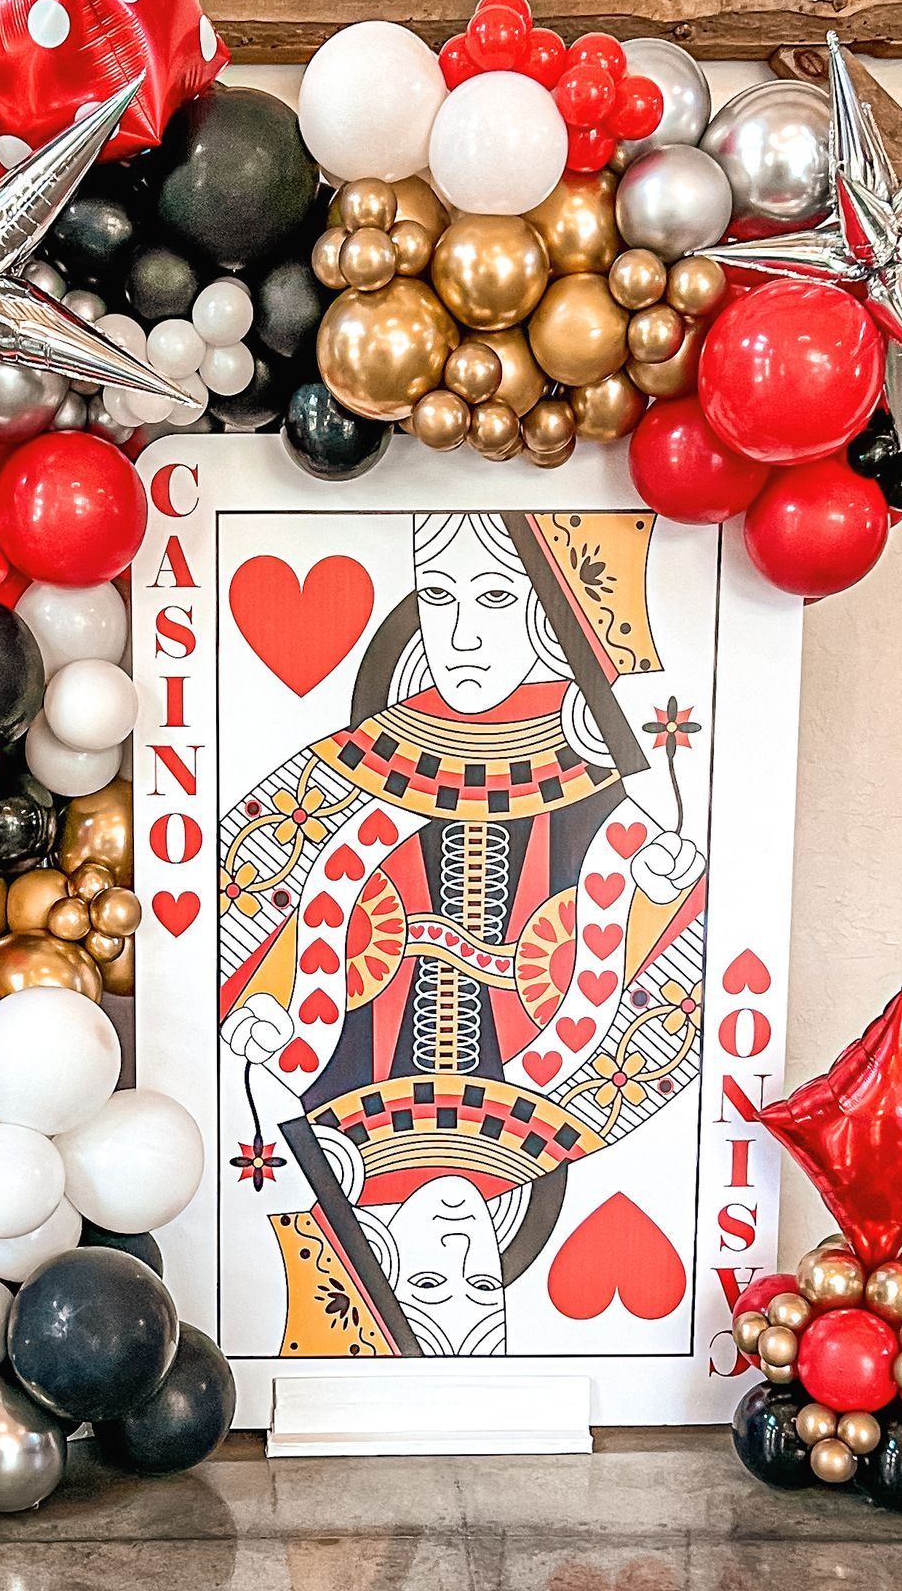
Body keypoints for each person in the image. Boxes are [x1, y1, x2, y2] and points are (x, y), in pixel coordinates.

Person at [220, 510, 706, 1358]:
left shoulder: (320, 1120)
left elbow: (255, 894)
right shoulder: (575, 1115)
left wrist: (263, 1015)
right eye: (440, 597)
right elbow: (664, 1000)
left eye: (493, 597)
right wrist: (658, 878)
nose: (465, 638)